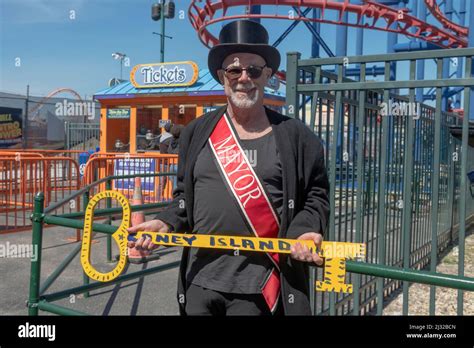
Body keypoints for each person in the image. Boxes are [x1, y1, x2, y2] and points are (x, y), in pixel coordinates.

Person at [128, 20, 330, 316]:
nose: (244, 78)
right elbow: (184, 198)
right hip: (200, 281)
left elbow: (316, 195)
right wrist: (165, 223)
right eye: (234, 70)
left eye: (254, 70)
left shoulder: (297, 136)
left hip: (263, 286)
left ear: (268, 76)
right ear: (222, 76)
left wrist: (304, 230)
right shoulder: (197, 132)